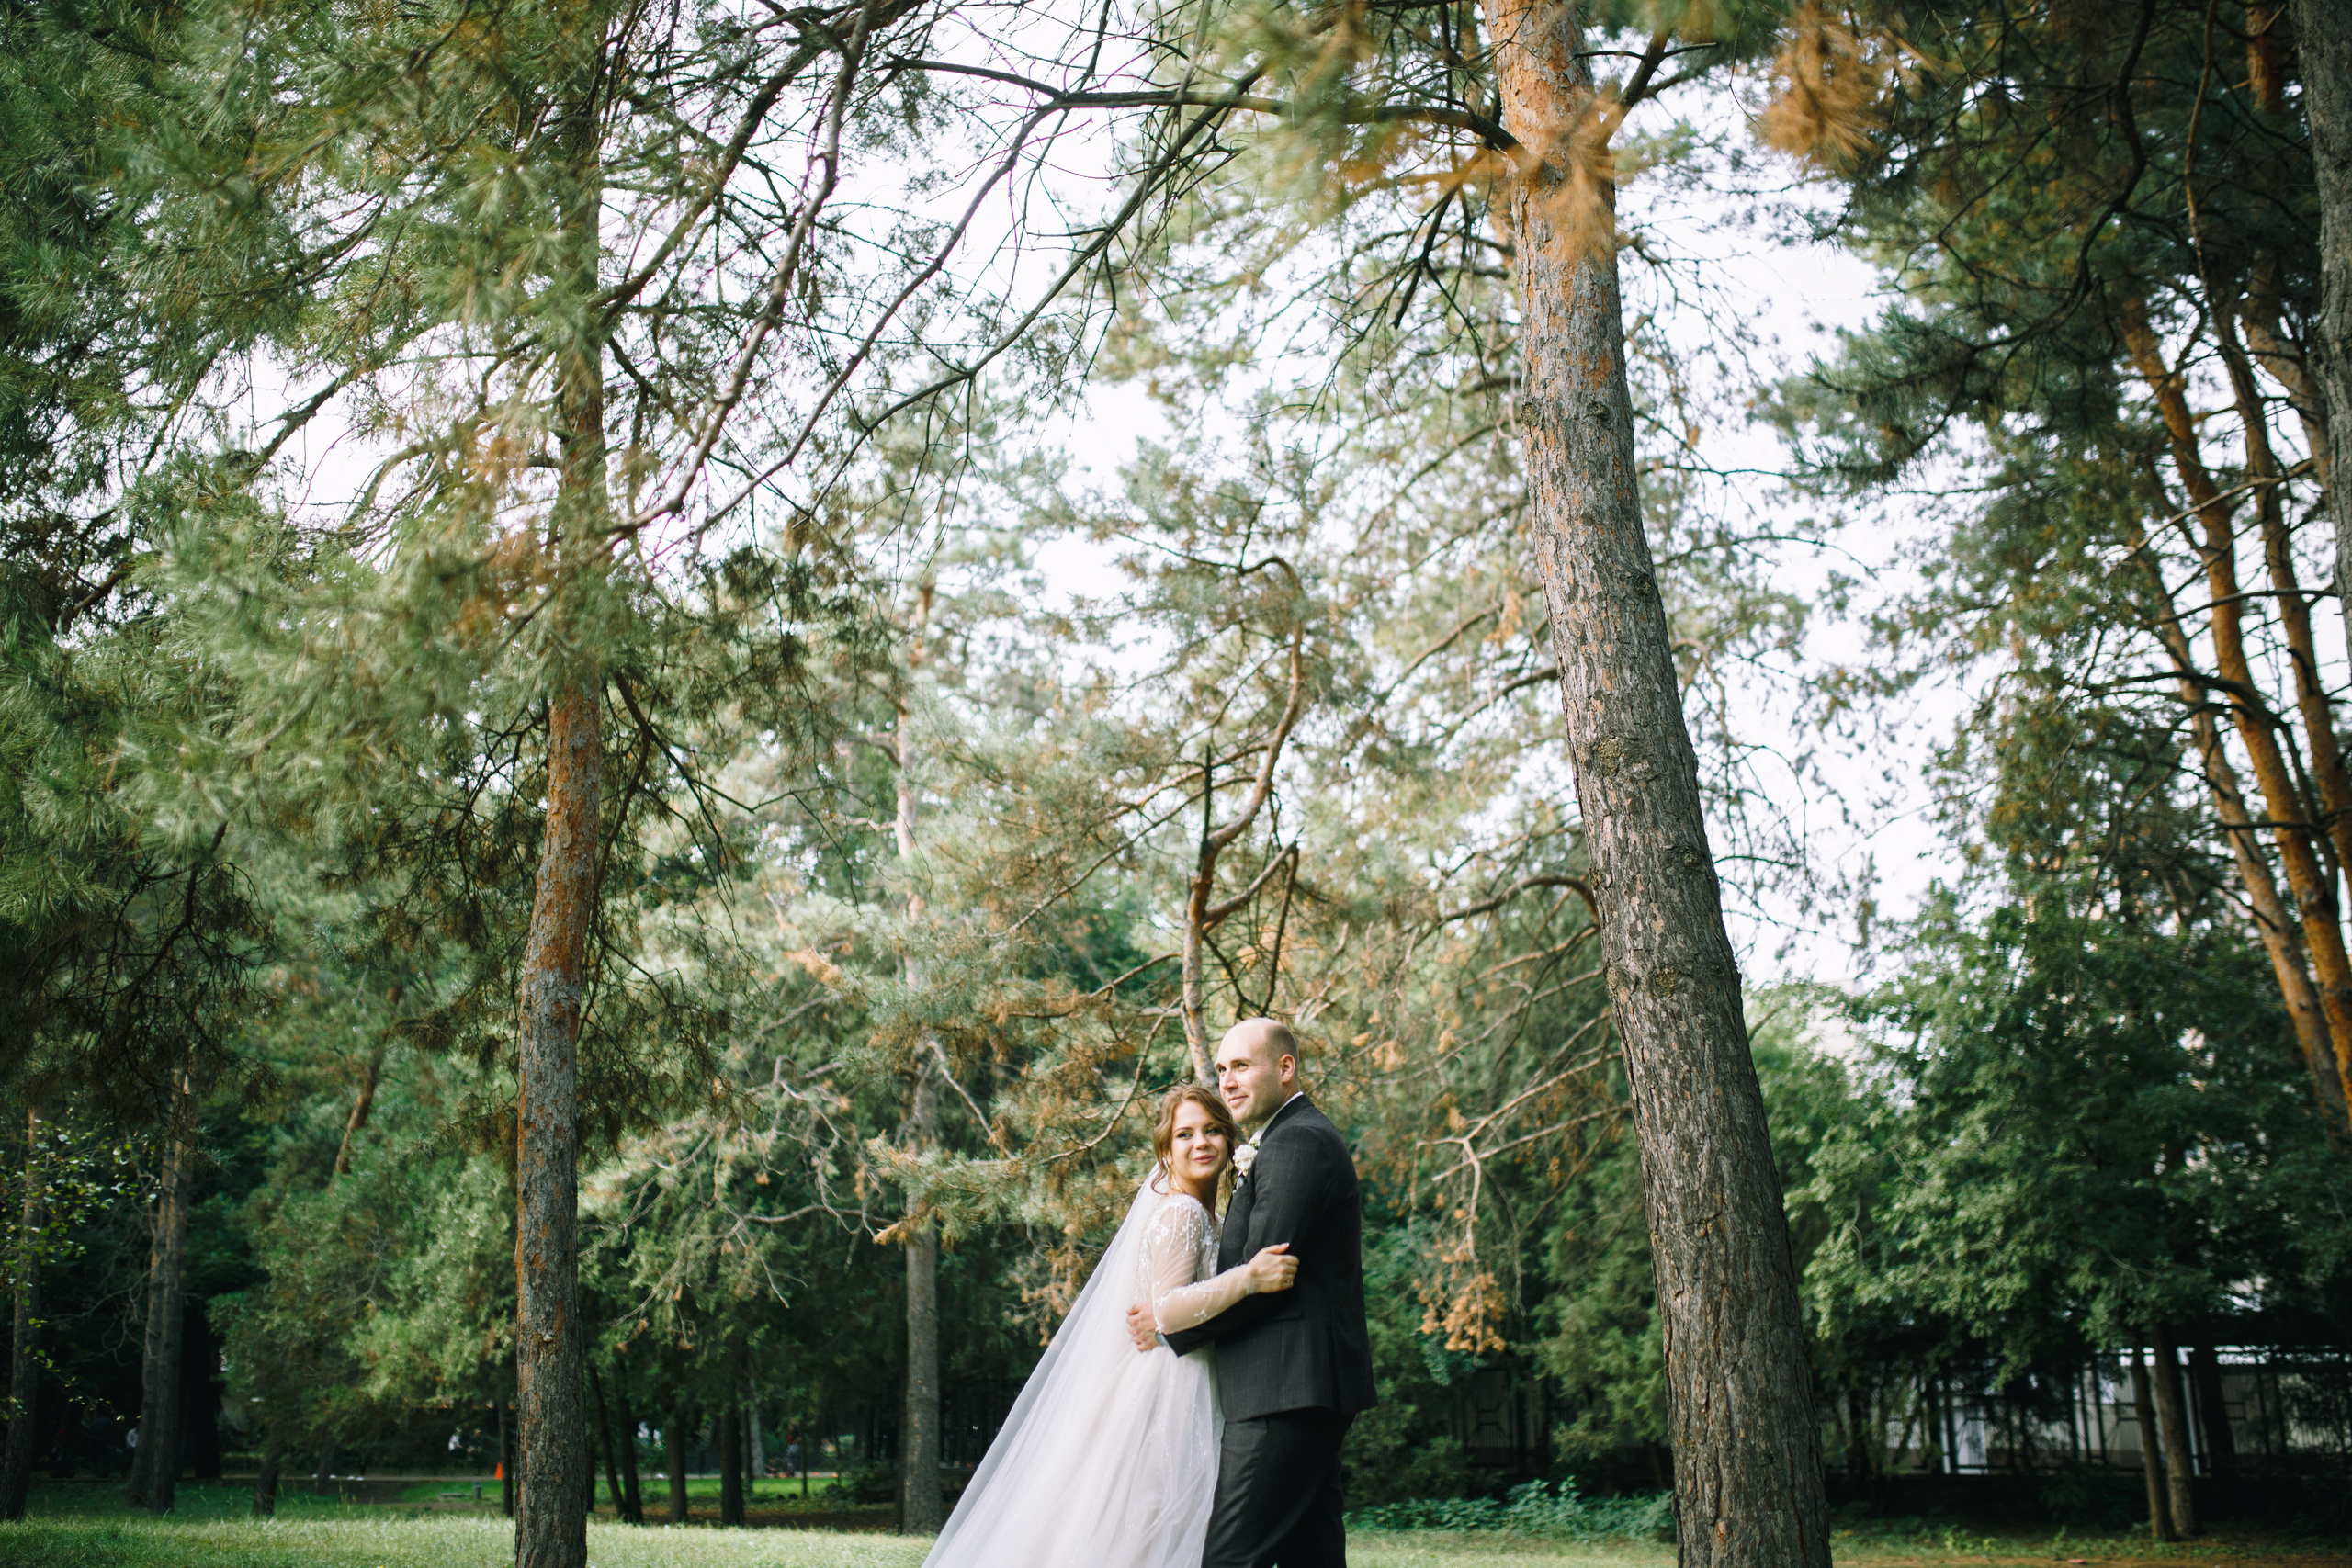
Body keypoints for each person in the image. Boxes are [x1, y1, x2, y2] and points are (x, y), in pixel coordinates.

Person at [922, 1081, 1300, 1568]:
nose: (1200, 1143)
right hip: (1171, 1386)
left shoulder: (1210, 1215)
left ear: (1229, 1142)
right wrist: (1248, 1279)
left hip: (1187, 1373)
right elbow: (1167, 1307)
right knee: (1155, 1519)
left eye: (1210, 1131)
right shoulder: (1182, 1211)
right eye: (1184, 1135)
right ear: (1166, 1151)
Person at [1125, 1018, 1375, 1568]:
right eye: (1221, 1069)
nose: (1228, 1080)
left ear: (1285, 1068)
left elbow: (1265, 1280)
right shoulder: (1288, 1140)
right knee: (1312, 1551)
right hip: (1294, 1387)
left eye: (1241, 1065)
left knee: (1231, 1557)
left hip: (1283, 1389)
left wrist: (1170, 1323)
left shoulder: (1295, 1144)